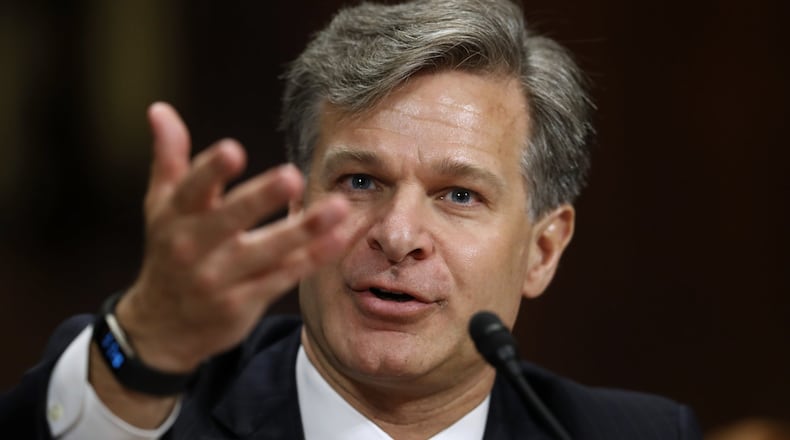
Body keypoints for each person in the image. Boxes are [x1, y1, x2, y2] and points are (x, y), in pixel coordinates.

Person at [0, 0, 702, 438]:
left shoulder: (632, 432)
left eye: (459, 194)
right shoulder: (162, 401)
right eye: (361, 180)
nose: (397, 235)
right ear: (300, 207)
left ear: (542, 250)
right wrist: (143, 349)